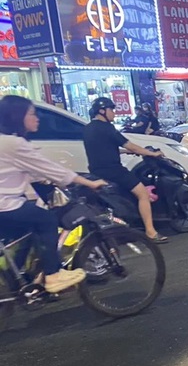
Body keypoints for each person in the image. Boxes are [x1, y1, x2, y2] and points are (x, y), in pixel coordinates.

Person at [0, 95, 108, 293]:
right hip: (5, 204)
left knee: (29, 228)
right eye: (32, 114)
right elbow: (52, 170)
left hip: (8, 203)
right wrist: (88, 182)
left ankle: (18, 280)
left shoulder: (6, 142)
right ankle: (53, 274)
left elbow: (33, 171)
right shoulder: (13, 144)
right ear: (18, 116)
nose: (37, 118)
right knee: (46, 219)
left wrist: (46, 179)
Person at [82, 97, 169, 243]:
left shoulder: (88, 128)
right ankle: (151, 232)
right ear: (102, 111)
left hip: (96, 171)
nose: (114, 113)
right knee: (143, 194)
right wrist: (152, 153)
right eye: (112, 110)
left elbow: (102, 149)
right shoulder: (107, 128)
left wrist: (122, 152)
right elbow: (130, 145)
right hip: (114, 170)